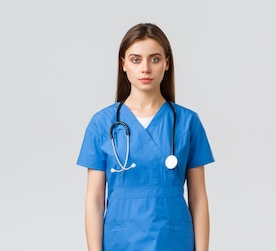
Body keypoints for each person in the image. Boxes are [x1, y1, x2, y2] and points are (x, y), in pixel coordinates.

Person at [77, 23, 215, 251]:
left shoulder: (187, 122)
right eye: (135, 59)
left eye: (154, 59)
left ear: (167, 63)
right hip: (121, 241)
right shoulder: (102, 123)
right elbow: (94, 200)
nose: (145, 69)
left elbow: (198, 198)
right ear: (123, 64)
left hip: (173, 239)